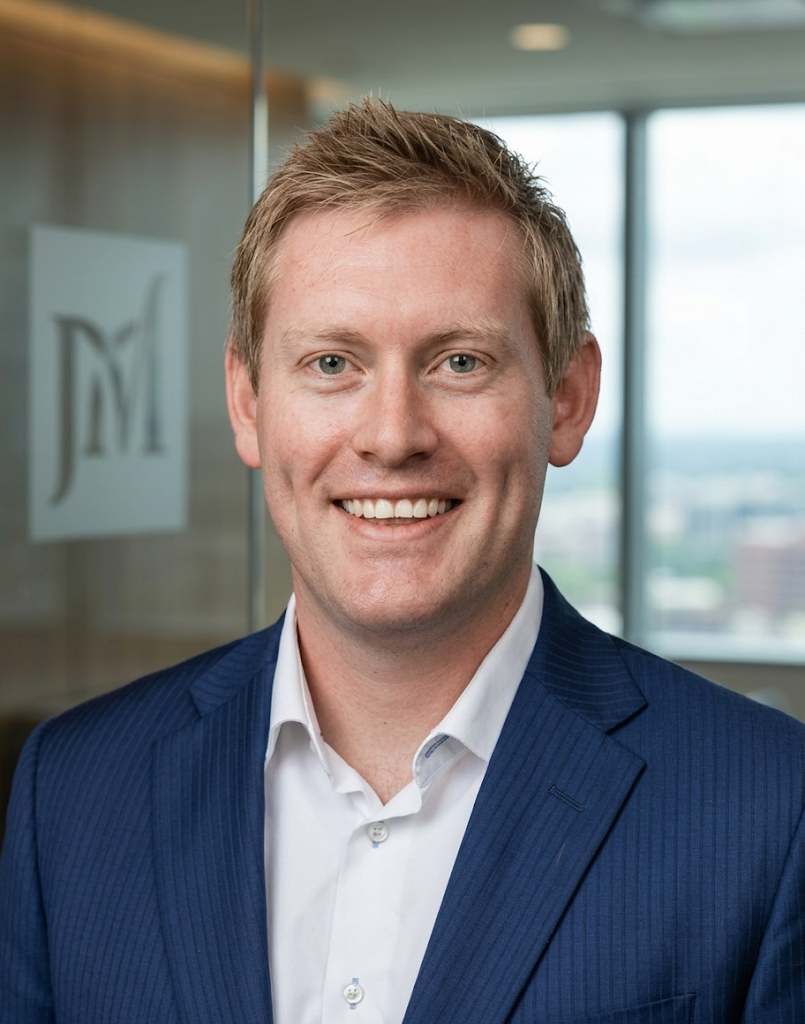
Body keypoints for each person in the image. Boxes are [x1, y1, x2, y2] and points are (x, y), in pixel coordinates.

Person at [1, 99, 804, 1024]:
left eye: (459, 362)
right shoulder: (74, 788)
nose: (391, 437)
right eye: (332, 364)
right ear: (248, 403)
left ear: (569, 399)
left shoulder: (767, 809)